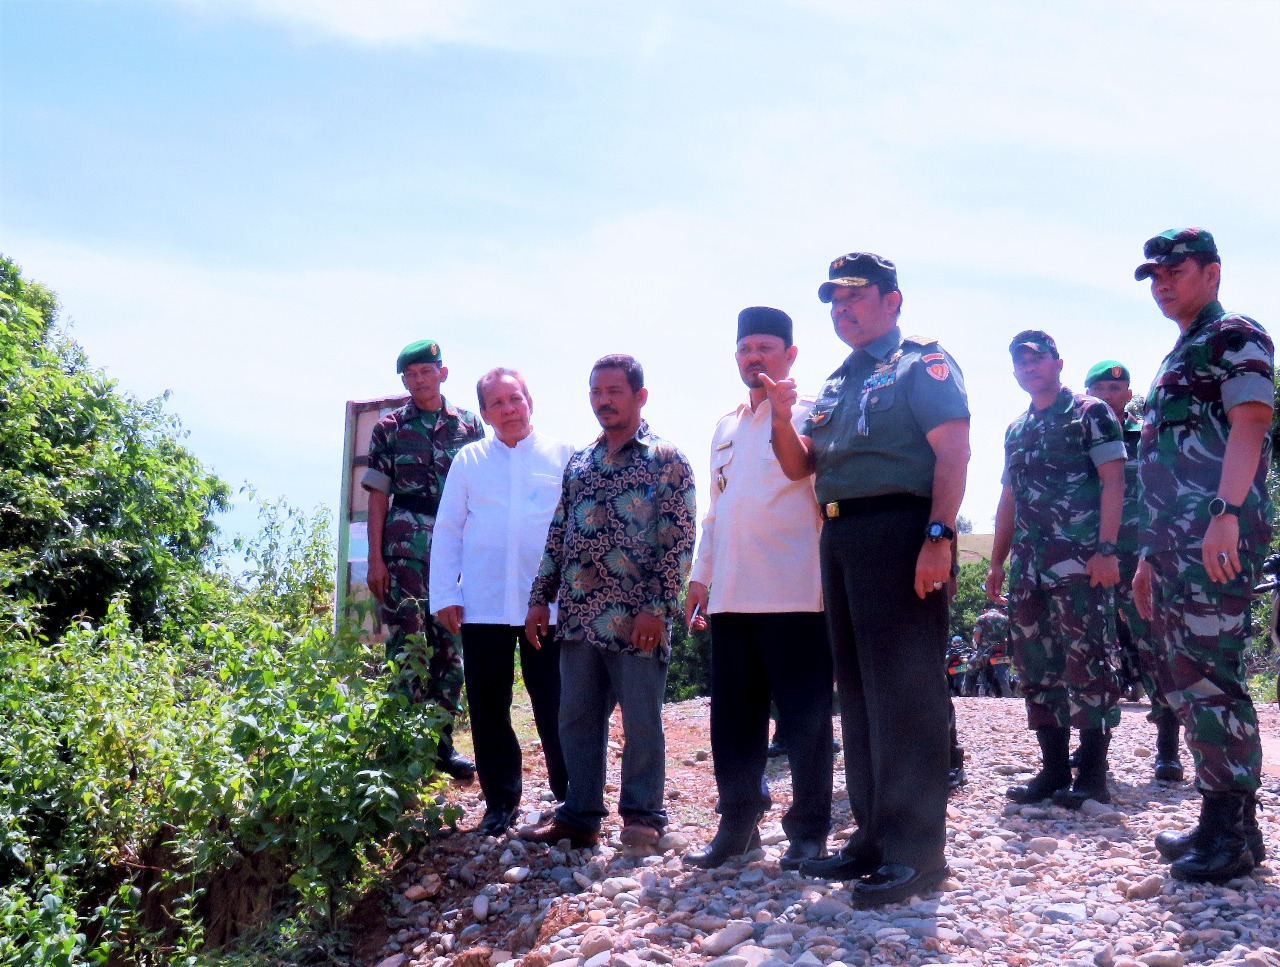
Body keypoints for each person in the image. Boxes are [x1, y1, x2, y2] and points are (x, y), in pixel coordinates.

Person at [765, 251, 970, 907]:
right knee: (856, 695)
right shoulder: (837, 379)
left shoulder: (922, 363)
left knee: (906, 695)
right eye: (833, 299)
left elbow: (955, 450)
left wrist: (938, 536)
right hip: (844, 534)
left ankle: (916, 853)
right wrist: (777, 416)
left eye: (855, 296)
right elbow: (802, 466)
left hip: (902, 530)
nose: (841, 308)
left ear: (892, 299)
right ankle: (872, 838)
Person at [1130, 228, 1273, 884]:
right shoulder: (1177, 353)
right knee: (1190, 676)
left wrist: (1223, 516)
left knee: (1213, 678)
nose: (1162, 282)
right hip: (1174, 544)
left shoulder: (1234, 334)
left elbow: (1250, 423)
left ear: (1211, 272)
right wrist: (1147, 556)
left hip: (1216, 537)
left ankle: (1229, 830)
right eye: (1153, 274)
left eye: (1175, 270)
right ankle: (1229, 824)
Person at [522, 355, 696, 851]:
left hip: (635, 617)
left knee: (642, 719)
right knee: (575, 718)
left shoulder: (666, 459)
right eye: (596, 391)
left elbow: (679, 539)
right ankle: (580, 814)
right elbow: (559, 533)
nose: (603, 400)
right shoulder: (581, 462)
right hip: (578, 617)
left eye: (614, 391)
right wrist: (540, 600)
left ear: (640, 396)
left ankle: (642, 816)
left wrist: (657, 608)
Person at [683, 306, 834, 870]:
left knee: (806, 720)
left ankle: (809, 830)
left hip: (796, 593)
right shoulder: (725, 425)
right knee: (734, 719)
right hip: (731, 597)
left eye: (766, 348)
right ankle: (739, 823)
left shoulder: (815, 414)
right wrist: (701, 576)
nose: (754, 357)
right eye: (746, 348)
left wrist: (785, 414)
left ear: (791, 355)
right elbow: (717, 511)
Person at [429, 368, 574, 837]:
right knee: (490, 705)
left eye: (515, 399)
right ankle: (501, 800)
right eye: (497, 403)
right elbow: (448, 530)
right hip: (484, 602)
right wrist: (445, 594)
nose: (509, 409)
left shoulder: (564, 455)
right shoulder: (470, 460)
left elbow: (577, 528)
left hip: (546, 604)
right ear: (485, 413)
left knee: (555, 700)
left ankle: (570, 793)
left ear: (530, 400)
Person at [986, 330, 1125, 810]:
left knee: (1088, 662)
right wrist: (998, 561)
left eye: (1036, 357)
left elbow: (1113, 480)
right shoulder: (1016, 428)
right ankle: (1051, 769)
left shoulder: (1090, 413)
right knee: (1036, 667)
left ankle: (1092, 773)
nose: (1029, 366)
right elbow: (1008, 498)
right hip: (1029, 568)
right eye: (1019, 360)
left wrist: (1108, 549)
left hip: (1082, 562)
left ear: (1058, 362)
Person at [362, 339, 485, 779]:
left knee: (449, 645)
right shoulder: (390, 428)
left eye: (425, 372)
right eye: (410, 375)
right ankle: (400, 748)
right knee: (409, 641)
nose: (418, 381)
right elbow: (378, 496)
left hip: (454, 546)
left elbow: (482, 493)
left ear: (442, 373)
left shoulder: (469, 425)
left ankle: (441, 746)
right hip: (404, 546)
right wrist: (374, 560)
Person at [1083, 359, 1185, 782]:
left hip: (1142, 558)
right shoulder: (1072, 437)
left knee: (1155, 649)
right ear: (1088, 393)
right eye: (1100, 388)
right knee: (1089, 650)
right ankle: (1092, 752)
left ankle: (1167, 751)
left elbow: (1169, 490)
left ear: (1128, 394)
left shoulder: (1148, 435)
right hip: (1089, 557)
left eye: (1116, 388)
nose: (1109, 395)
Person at [973, 606, 1013, 698]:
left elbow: (977, 636)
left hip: (986, 648)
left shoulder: (981, 618)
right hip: (1002, 649)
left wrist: (979, 645)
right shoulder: (1004, 618)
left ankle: (967, 692)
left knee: (972, 666)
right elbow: (1010, 636)